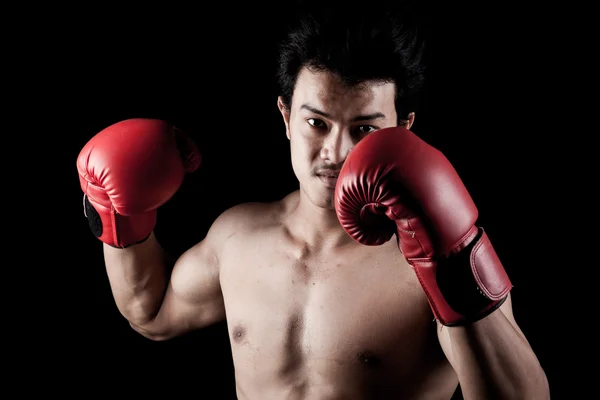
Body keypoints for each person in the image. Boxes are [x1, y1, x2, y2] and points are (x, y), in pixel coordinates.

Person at [78, 5, 550, 399]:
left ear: (403, 130)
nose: (336, 152)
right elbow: (153, 314)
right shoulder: (238, 237)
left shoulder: (425, 268)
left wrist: (451, 254)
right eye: (317, 123)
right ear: (285, 116)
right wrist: (118, 213)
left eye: (364, 129)